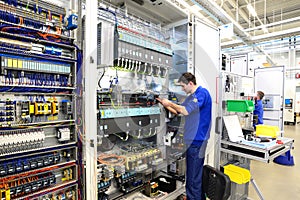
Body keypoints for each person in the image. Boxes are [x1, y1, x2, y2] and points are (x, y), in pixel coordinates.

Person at [157, 72, 212, 200]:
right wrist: (163, 104)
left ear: (190, 83)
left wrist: (169, 103)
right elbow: (178, 111)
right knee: (193, 175)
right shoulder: (191, 96)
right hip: (192, 139)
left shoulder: (202, 93)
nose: (182, 89)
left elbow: (185, 111)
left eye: (183, 86)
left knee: (193, 178)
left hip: (197, 140)